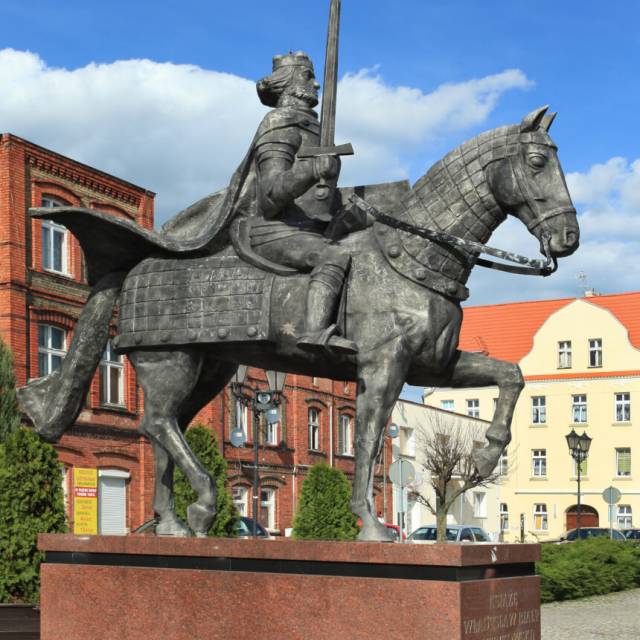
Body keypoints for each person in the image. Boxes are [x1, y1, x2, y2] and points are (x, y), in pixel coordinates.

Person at [248, 51, 357, 355]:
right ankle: (316, 333)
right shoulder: (279, 123)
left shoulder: (314, 129)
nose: (317, 84)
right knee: (332, 256)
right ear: (288, 82)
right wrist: (309, 170)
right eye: (308, 76)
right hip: (276, 231)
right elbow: (269, 197)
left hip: (313, 228)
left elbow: (319, 199)